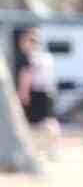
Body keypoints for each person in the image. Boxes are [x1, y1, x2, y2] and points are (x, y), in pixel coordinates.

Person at [13, 25, 60, 157]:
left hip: (35, 93)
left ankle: (30, 151)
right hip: (49, 93)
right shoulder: (47, 57)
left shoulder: (30, 58)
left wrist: (23, 95)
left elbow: (26, 77)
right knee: (50, 122)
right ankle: (52, 149)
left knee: (29, 124)